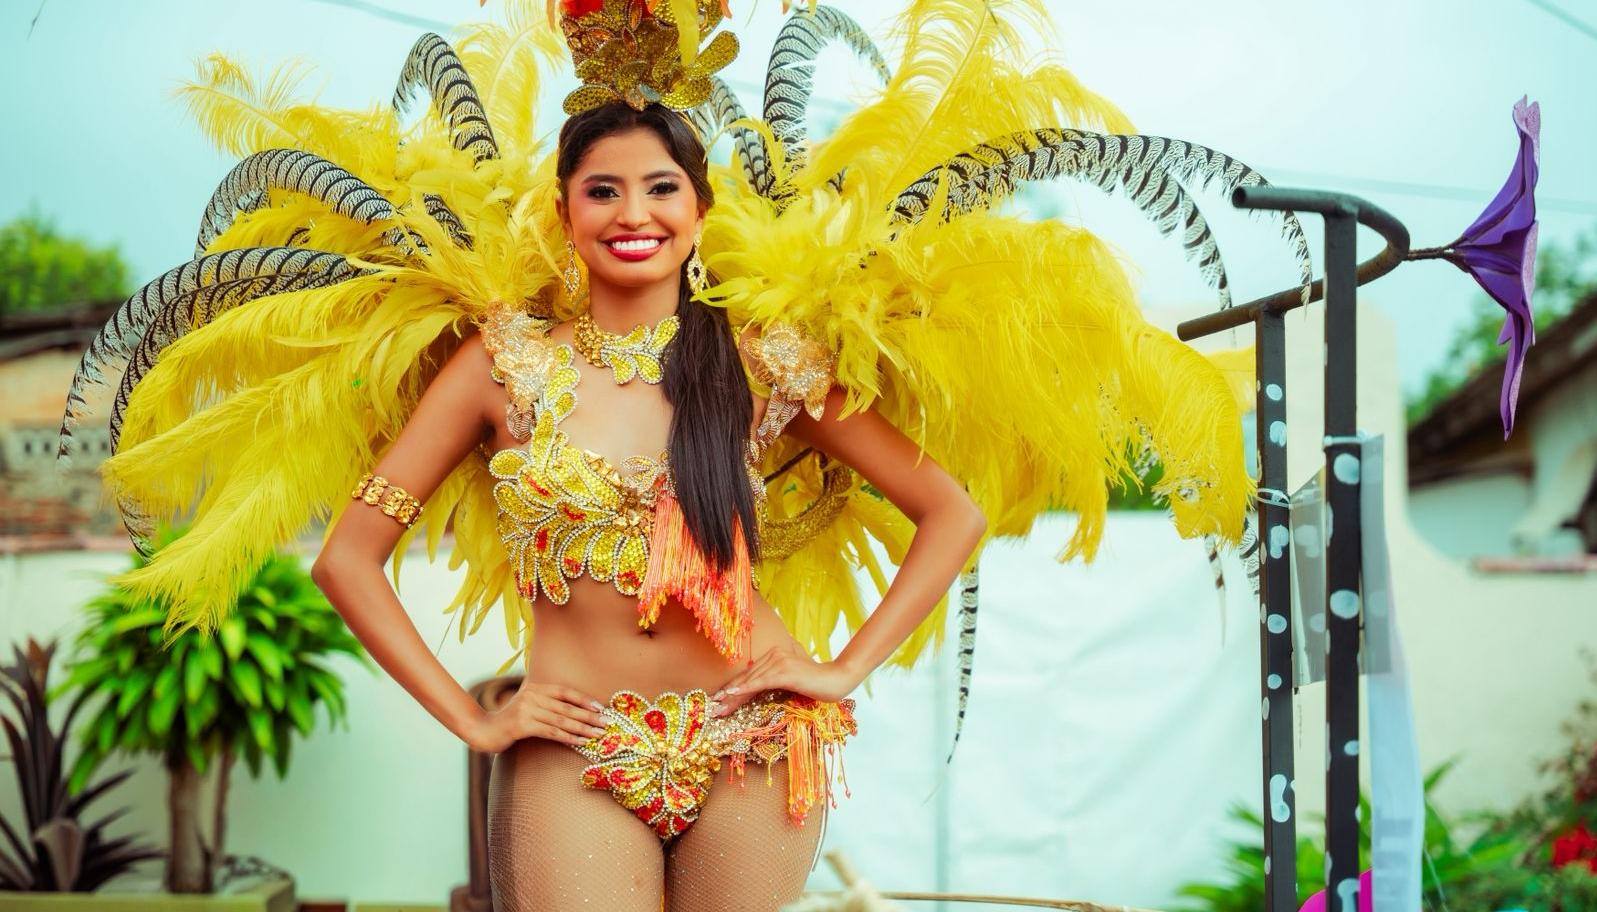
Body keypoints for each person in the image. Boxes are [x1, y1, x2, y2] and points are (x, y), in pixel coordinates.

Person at [62, 0, 1284, 908]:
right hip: (574, 752)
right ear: (565, 213)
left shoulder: (762, 363)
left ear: (698, 213)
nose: (632, 213)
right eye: (602, 191)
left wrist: (842, 669)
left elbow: (948, 511)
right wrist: (475, 723)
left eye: (659, 188)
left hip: (750, 745)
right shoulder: (501, 365)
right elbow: (350, 557)